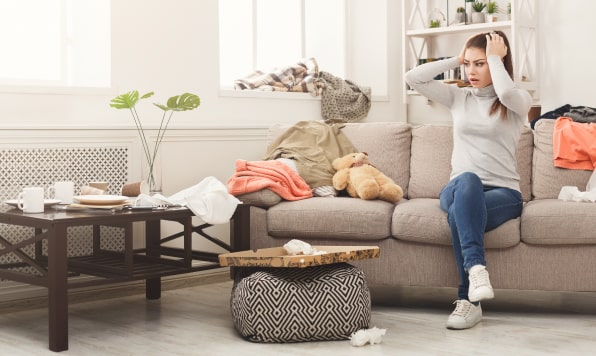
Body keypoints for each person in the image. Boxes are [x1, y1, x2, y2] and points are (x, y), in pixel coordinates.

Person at [405, 31, 532, 330]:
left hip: (504, 193)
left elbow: (506, 94)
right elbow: (413, 77)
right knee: (468, 182)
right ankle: (476, 270)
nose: (471, 72)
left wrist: (495, 58)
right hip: (459, 186)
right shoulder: (458, 97)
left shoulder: (517, 102)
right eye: (468, 64)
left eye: (481, 64)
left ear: (498, 63)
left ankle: (468, 302)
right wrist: (456, 58)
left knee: (461, 216)